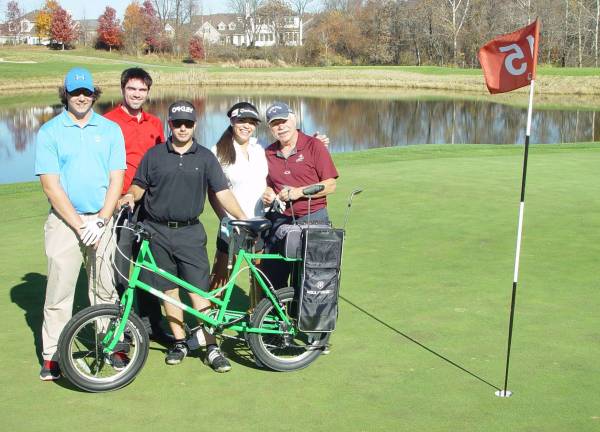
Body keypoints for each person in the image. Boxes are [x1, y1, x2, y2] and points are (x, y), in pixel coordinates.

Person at [119, 100, 246, 373]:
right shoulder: (154, 156)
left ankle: (211, 346)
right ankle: (179, 342)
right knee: (169, 291)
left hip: (190, 232)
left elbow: (222, 193)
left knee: (199, 291)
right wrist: (129, 195)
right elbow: (139, 185)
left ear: (195, 125)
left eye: (188, 123)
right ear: (170, 125)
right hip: (156, 232)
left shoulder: (205, 157)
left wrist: (244, 219)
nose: (183, 128)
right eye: (178, 123)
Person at [35, 67, 126, 381]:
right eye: (75, 92)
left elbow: (117, 177)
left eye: (86, 92)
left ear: (94, 94)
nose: (82, 97)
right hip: (64, 222)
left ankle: (110, 344)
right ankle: (53, 355)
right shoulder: (50, 132)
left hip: (103, 220)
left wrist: (102, 220)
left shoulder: (110, 129)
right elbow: (51, 185)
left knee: (104, 288)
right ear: (66, 95)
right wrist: (78, 224)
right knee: (59, 291)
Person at [208, 101, 331, 307]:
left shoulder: (259, 150)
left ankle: (256, 325)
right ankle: (208, 329)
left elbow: (269, 181)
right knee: (221, 279)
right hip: (233, 226)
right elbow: (214, 192)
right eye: (241, 121)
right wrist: (225, 220)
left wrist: (314, 142)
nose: (246, 126)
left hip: (261, 226)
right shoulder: (218, 151)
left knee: (260, 281)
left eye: (251, 122)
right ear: (231, 121)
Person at [104, 67, 172, 343]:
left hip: (151, 207)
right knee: (121, 266)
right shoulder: (108, 122)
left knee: (149, 266)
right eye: (132, 89)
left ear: (147, 92)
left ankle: (151, 323)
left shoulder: (155, 123)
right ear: (123, 90)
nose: (136, 94)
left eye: (142, 90)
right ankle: (124, 324)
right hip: (121, 204)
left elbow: (164, 159)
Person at [261, 101, 339, 290]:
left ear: (293, 119)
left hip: (314, 218)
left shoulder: (314, 146)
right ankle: (276, 317)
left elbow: (330, 185)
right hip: (280, 220)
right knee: (272, 277)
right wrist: (268, 193)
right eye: (275, 123)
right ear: (270, 128)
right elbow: (268, 184)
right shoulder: (269, 152)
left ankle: (305, 319)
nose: (281, 126)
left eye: (284, 121)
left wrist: (299, 192)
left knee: (310, 279)